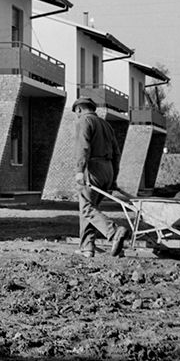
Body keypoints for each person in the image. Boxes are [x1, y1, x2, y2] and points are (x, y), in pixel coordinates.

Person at [73, 97, 128, 258]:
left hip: (93, 168)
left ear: (79, 109)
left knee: (86, 208)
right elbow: (117, 153)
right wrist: (114, 178)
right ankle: (87, 248)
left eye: (76, 112)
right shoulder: (106, 125)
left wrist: (79, 170)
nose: (77, 115)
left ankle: (114, 231)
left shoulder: (84, 121)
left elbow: (83, 147)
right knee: (90, 209)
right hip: (108, 169)